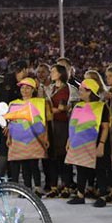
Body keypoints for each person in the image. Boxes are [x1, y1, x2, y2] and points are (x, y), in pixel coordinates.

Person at [65, 79, 110, 207]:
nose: (79, 92)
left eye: (82, 90)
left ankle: (102, 196)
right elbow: (73, 125)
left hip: (95, 142)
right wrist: (70, 140)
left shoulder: (101, 107)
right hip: (79, 142)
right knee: (80, 168)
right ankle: (80, 194)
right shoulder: (78, 106)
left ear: (90, 92)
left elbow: (105, 127)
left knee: (100, 169)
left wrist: (101, 143)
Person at [6, 78, 48, 194]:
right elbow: (11, 123)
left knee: (34, 164)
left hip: (34, 138)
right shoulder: (13, 104)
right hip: (18, 139)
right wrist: (9, 137)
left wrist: (45, 137)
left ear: (33, 90)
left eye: (28, 88)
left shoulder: (39, 102)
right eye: (22, 87)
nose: (24, 90)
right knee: (24, 165)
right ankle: (27, 188)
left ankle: (38, 187)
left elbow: (43, 121)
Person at [44, 64, 74, 198]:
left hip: (61, 125)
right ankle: (54, 186)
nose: (51, 73)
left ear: (60, 73)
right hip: (51, 124)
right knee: (52, 156)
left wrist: (48, 110)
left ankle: (66, 185)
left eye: (53, 71)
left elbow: (62, 108)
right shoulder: (51, 88)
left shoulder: (65, 89)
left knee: (62, 155)